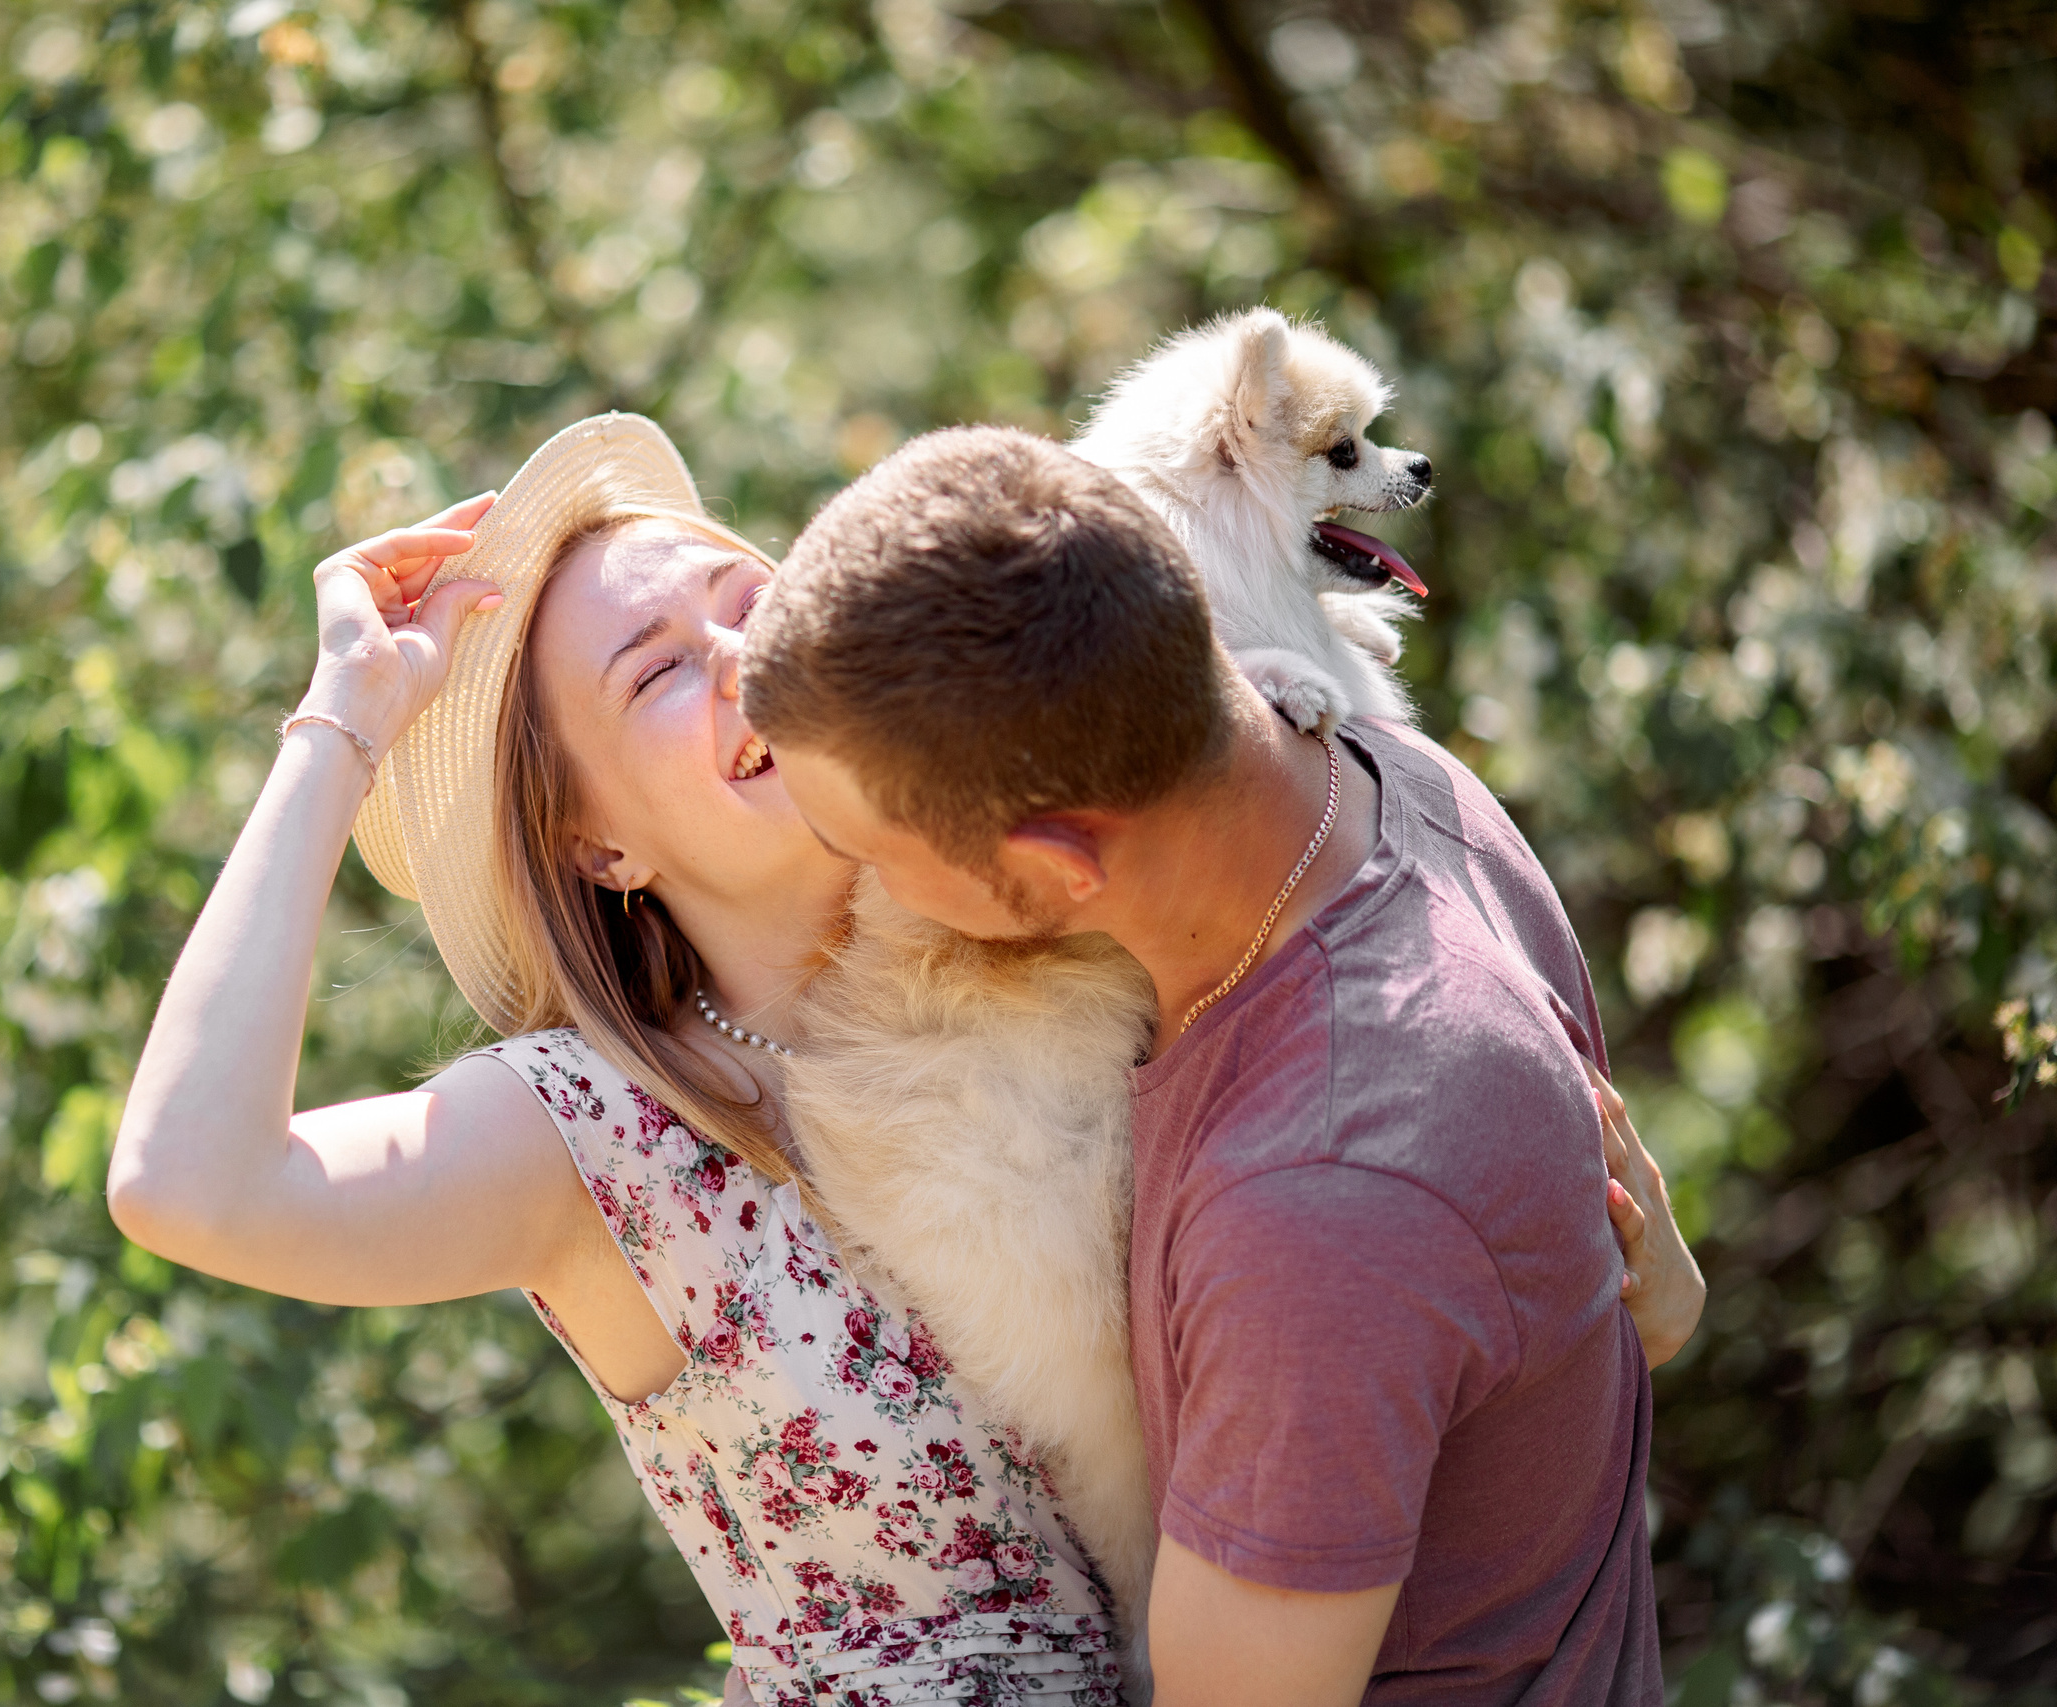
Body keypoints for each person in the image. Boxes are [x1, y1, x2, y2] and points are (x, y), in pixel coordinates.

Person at [107, 414, 1696, 1704]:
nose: (742, 661)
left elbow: (1396, 1275)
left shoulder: (1066, 904)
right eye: (657, 671)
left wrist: (1639, 1271)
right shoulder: (600, 1133)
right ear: (596, 843)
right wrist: (342, 724)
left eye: (748, 597)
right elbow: (191, 1183)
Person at [742, 425, 1676, 1706]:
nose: (860, 886)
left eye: (872, 853)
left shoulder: (1313, 1202)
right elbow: (1563, 1324)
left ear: (1056, 864)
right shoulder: (1399, 782)